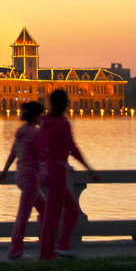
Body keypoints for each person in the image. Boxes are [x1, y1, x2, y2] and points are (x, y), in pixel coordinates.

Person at [38, 88, 98, 260]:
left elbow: (42, 147)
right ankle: (49, 253)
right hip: (57, 172)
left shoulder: (44, 122)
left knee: (69, 209)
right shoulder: (62, 123)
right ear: (65, 104)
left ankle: (60, 245)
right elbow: (72, 148)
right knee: (53, 215)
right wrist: (90, 168)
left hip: (46, 171)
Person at [0, 101, 46, 260]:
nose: (43, 117)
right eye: (41, 114)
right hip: (30, 177)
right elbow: (43, 155)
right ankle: (15, 250)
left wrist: (5, 171)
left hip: (20, 175)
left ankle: (45, 242)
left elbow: (14, 151)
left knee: (45, 210)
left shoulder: (22, 131)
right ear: (36, 116)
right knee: (23, 215)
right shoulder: (36, 133)